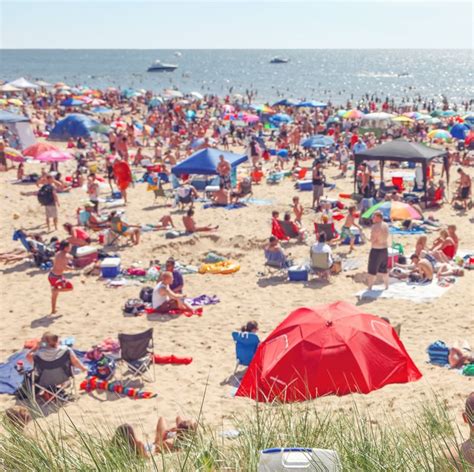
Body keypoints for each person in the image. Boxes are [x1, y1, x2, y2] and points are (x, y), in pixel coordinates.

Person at [48, 240, 74, 314]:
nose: (71, 247)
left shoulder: (58, 253)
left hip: (51, 275)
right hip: (56, 277)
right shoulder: (65, 256)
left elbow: (58, 263)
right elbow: (64, 267)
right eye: (70, 246)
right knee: (70, 288)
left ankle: (53, 310)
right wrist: (71, 268)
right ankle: (56, 290)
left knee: (54, 294)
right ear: (66, 248)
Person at [367, 211, 389, 290]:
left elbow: (373, 240)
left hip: (376, 249)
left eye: (374, 217)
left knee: (372, 270)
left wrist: (366, 237)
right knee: (384, 269)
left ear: (378, 218)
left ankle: (370, 287)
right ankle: (386, 286)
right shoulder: (386, 225)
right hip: (384, 249)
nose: (372, 218)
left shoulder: (375, 226)